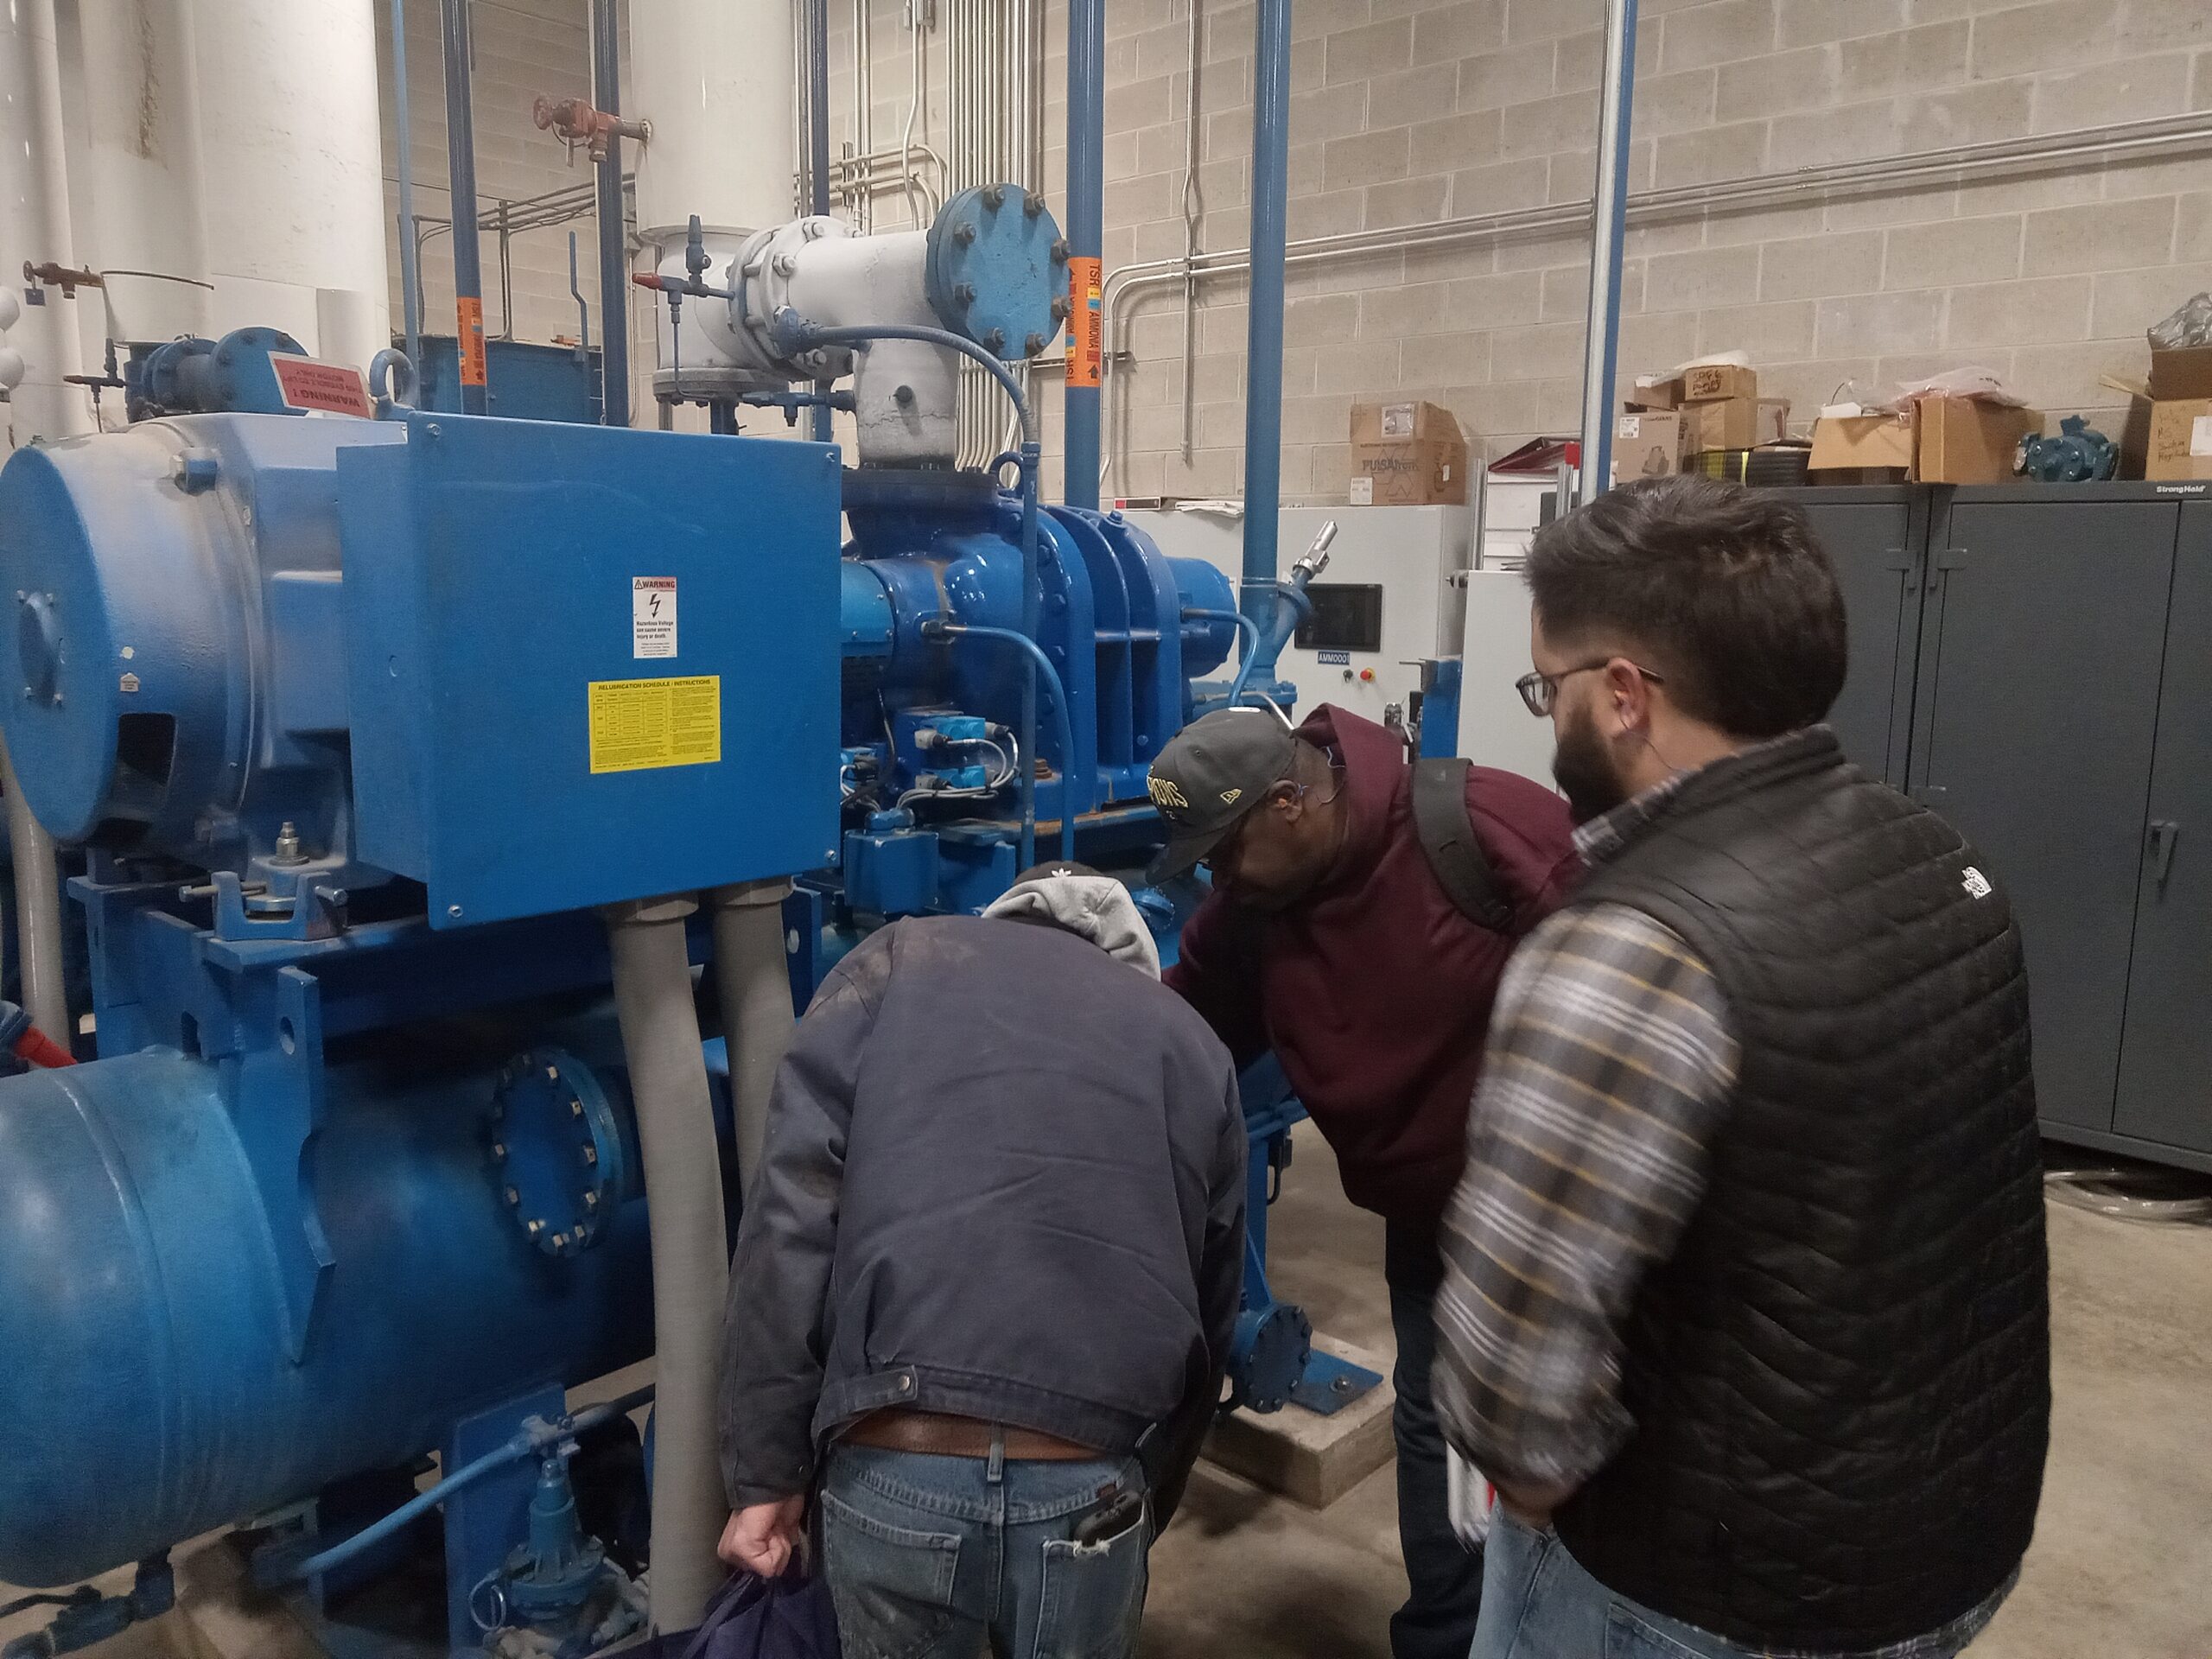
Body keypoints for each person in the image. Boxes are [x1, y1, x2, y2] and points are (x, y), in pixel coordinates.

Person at [1434, 474, 2050, 1659]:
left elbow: (1516, 1390)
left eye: (1548, 686)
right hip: (1943, 1550)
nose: (1547, 715)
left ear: (1622, 695)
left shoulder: (1629, 949)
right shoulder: (1939, 859)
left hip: (1702, 1598)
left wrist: (1540, 1498)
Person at [716, 862, 1245, 1659]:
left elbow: (788, 1231)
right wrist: (1145, 1498)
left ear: (1005, 917)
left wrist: (767, 1476)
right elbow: (1214, 1304)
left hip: (895, 1454)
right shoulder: (1192, 1043)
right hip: (1090, 1473)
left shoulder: (892, 968)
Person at [1149, 701, 1579, 1659]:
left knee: (1578, 1443)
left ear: (1289, 802)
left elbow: (1643, 985)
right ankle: (1444, 1642)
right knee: (1436, 1423)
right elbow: (1182, 1029)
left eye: (1225, 850)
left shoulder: (1480, 830)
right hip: (1429, 1224)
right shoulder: (1252, 916)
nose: (1216, 879)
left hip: (1561, 1222)